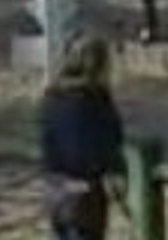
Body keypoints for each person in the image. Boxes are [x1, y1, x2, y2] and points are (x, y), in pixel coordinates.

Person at [40, 35, 125, 240]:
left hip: (57, 193)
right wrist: (116, 171)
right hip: (86, 197)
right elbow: (110, 142)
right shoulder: (96, 101)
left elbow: (48, 143)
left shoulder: (53, 96)